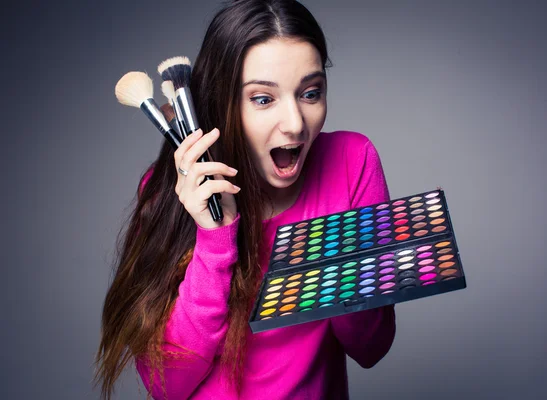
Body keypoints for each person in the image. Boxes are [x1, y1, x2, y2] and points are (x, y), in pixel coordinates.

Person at [94, 0, 396, 399]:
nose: (294, 123)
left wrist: (334, 255)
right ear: (222, 103)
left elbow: (371, 347)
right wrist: (215, 238)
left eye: (310, 93)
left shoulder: (351, 163)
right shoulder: (175, 189)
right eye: (262, 99)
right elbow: (167, 384)